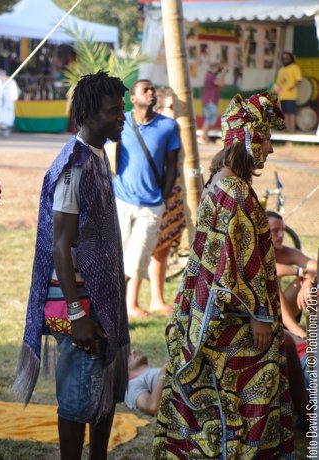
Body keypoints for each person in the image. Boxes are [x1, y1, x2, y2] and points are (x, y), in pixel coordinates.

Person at [152, 92, 294, 458]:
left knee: (213, 400)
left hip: (205, 314)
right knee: (249, 397)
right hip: (233, 321)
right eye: (267, 140)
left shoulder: (219, 181)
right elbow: (240, 262)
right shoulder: (236, 193)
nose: (271, 151)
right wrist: (261, 315)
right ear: (249, 140)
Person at [13, 71, 130, 460]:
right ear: (88, 114)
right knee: (79, 399)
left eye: (122, 108)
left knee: (104, 391)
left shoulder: (98, 156)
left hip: (102, 300)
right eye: (114, 111)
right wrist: (79, 312)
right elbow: (61, 247)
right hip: (80, 305)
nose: (122, 116)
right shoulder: (73, 167)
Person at [113, 79, 180, 319]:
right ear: (133, 98)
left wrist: (165, 195)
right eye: (146, 90)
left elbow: (172, 165)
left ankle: (116, 305)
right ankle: (117, 308)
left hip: (151, 204)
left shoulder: (168, 126)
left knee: (138, 258)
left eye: (153, 89)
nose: (151, 92)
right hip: (120, 200)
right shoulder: (121, 121)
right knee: (115, 255)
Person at [148, 88, 186, 314]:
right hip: (157, 195)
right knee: (148, 249)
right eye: (172, 107)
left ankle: (157, 298)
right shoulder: (159, 129)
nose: (177, 112)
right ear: (161, 109)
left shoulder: (177, 130)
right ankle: (131, 302)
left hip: (174, 196)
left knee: (162, 250)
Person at [266, 210, 317, 338]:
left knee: (311, 281)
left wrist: (307, 283)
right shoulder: (255, 252)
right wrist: (298, 271)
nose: (281, 235)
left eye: (282, 230)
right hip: (261, 316)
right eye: (275, 231)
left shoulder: (287, 252)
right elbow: (269, 269)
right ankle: (300, 334)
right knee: (273, 283)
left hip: (283, 313)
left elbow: (314, 266)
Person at [125, 350, 165, 416]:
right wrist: (164, 374)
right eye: (128, 354)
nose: (133, 352)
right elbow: (152, 408)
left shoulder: (152, 372)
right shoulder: (132, 384)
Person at [199, 60, 227, 144]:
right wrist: (223, 73)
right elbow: (221, 83)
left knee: (211, 119)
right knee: (210, 119)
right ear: (214, 68)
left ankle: (205, 137)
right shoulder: (210, 75)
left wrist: (222, 74)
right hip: (210, 100)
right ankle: (202, 137)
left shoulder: (211, 75)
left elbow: (222, 83)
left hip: (210, 100)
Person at [273, 51, 302, 133]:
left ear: (291, 58)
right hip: (281, 96)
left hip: (290, 96)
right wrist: (276, 87)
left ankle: (292, 129)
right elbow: (278, 83)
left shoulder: (295, 67)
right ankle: (287, 129)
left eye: (287, 58)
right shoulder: (281, 70)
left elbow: (299, 80)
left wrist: (292, 87)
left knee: (291, 113)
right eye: (283, 58)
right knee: (284, 113)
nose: (285, 59)